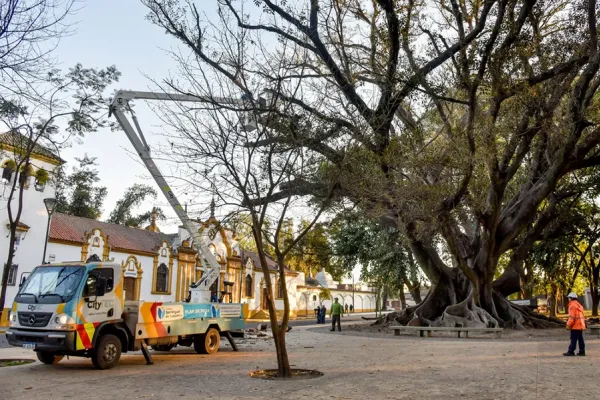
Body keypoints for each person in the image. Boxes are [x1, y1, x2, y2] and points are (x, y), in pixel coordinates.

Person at [564, 292, 586, 356]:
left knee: (573, 338)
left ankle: (571, 351)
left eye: (569, 298)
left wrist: (568, 325)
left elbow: (572, 317)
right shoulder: (579, 305)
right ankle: (582, 351)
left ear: (571, 298)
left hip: (575, 325)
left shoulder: (572, 306)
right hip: (580, 324)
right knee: (580, 338)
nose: (568, 299)